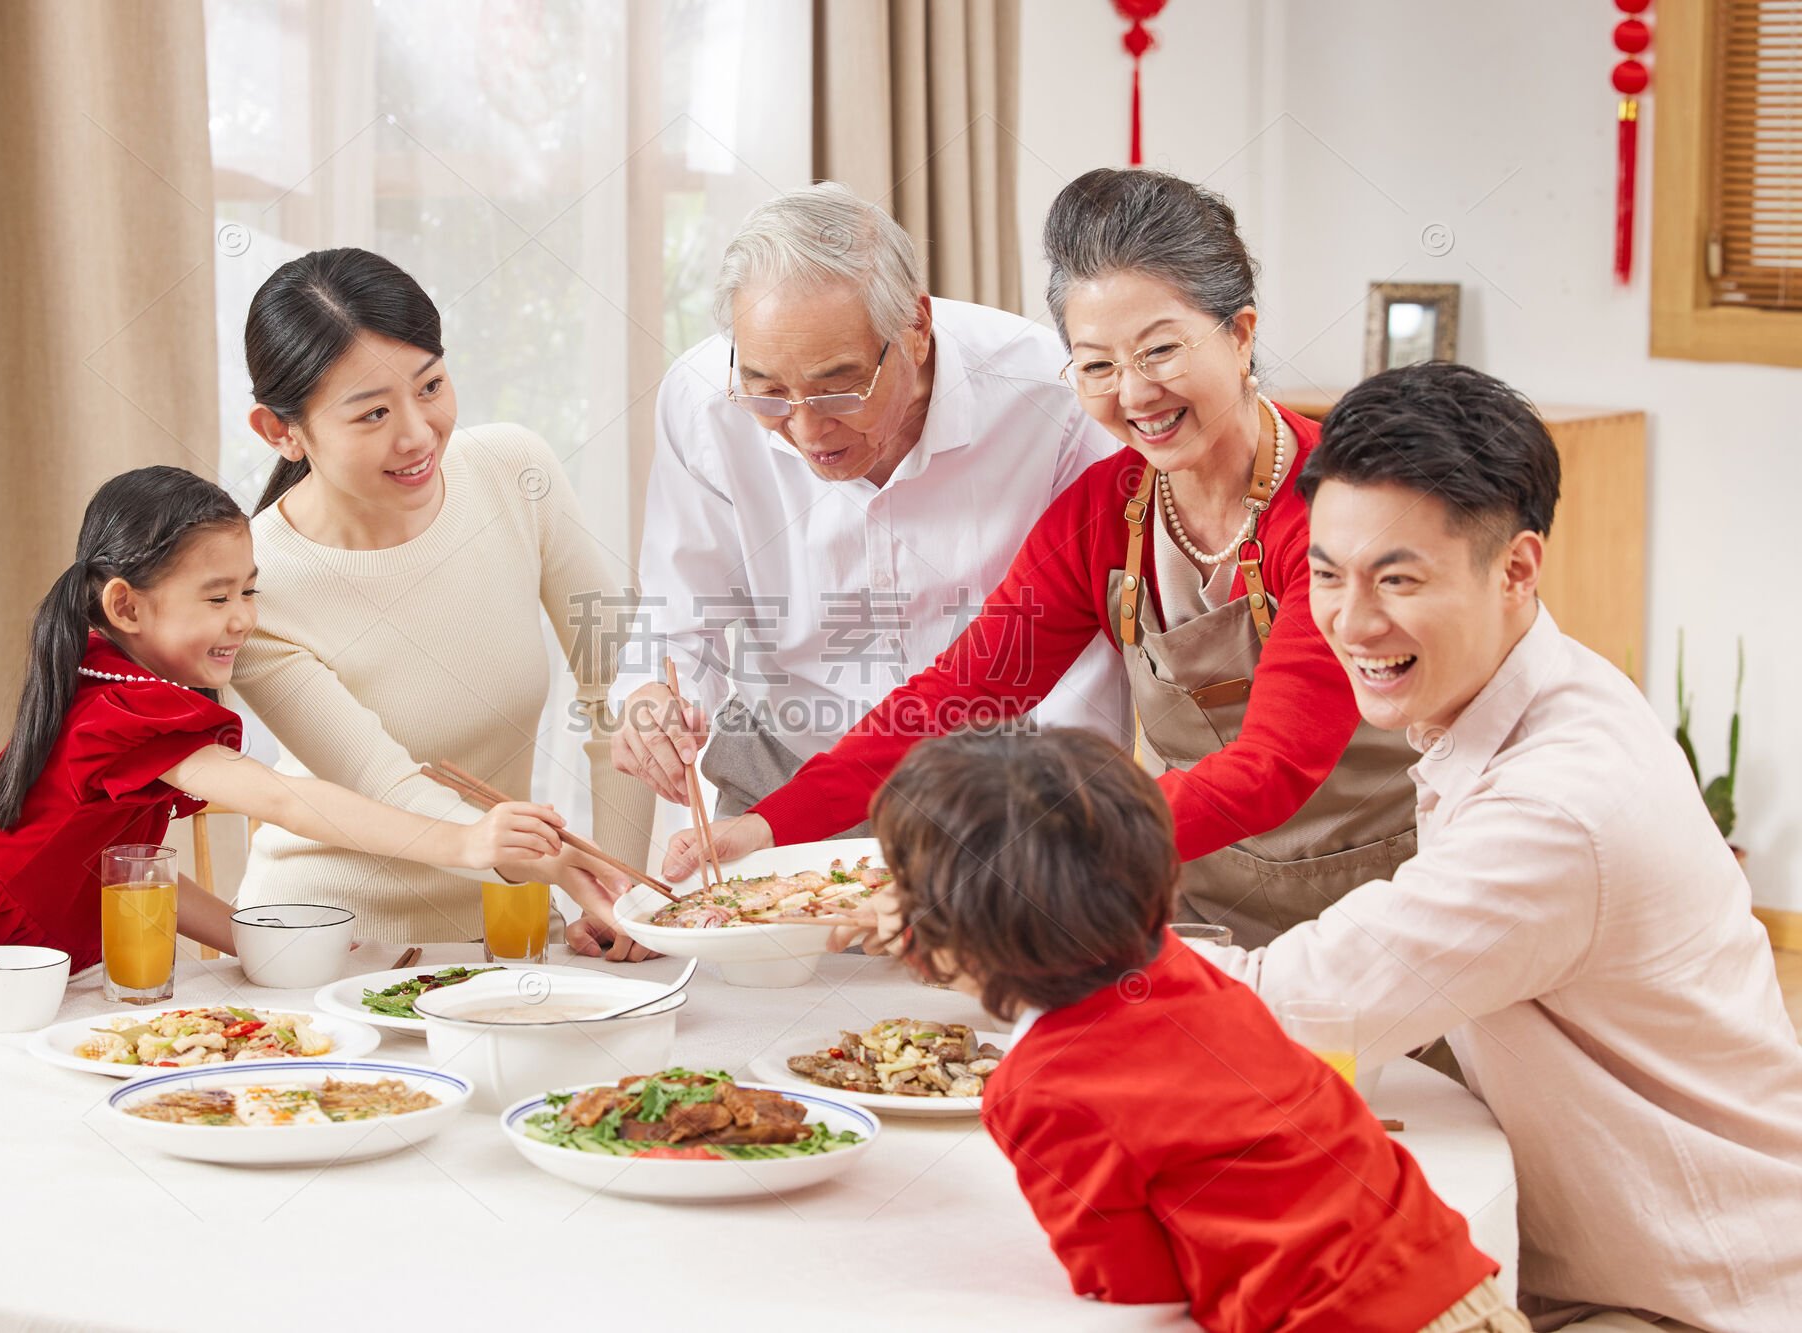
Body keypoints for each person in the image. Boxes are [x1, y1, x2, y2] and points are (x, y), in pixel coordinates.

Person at [1192, 362, 1802, 1328]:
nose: (1351, 620)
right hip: (1587, 1252)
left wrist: (1045, 937)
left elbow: (1289, 1009)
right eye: (1325, 573)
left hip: (1683, 1300)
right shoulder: (1529, 690)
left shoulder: (1558, 806)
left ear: (1516, 568)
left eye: (1399, 578)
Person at [670, 169, 1415, 950]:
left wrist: (1024, 847)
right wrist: (768, 825)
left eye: (1160, 351)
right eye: (1096, 365)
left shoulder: (1338, 509)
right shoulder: (1105, 512)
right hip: (1195, 897)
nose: (1134, 393)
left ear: (1240, 333)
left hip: (1378, 905)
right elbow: (957, 693)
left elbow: (1272, 768)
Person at [0, 468, 578, 1029]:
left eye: (249, 590)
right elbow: (280, 796)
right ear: (124, 604)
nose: (242, 618)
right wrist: (466, 840)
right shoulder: (124, 711)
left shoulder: (99, 683)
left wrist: (263, 940)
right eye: (216, 597)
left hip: (10, 950)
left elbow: (127, 878)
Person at [855, 726, 1524, 1332]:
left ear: (951, 933)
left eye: (904, 885)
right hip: (1465, 1293)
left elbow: (1142, 1296)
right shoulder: (1185, 971)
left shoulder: (1040, 1088)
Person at [608, 181, 1127, 830]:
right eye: (767, 392)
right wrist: (656, 695)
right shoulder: (702, 400)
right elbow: (684, 610)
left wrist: (1070, 823)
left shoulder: (1047, 394)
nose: (805, 431)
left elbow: (1089, 640)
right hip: (787, 767)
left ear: (915, 327)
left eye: (837, 391)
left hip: (1001, 789)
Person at [230, 248, 654, 956]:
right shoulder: (253, 579)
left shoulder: (516, 472)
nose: (418, 434)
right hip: (324, 947)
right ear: (282, 432)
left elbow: (618, 690)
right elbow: (385, 780)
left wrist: (619, 893)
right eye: (371, 414)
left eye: (430, 386)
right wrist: (563, 869)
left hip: (509, 933)